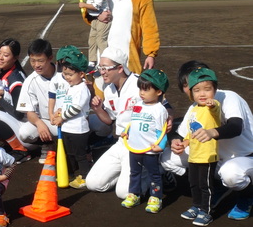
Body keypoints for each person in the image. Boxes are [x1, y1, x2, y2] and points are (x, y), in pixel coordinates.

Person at [161, 60, 253, 221]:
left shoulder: (228, 97)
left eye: (204, 85)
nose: (200, 91)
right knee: (167, 157)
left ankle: (247, 197)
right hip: (215, 158)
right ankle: (210, 187)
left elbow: (236, 126)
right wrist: (176, 141)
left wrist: (213, 132)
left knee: (231, 174)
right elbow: (180, 134)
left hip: (244, 156)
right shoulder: (194, 108)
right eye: (192, 87)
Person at [86, 47, 171, 199]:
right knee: (93, 183)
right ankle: (129, 176)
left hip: (142, 145)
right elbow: (109, 120)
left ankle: (158, 170)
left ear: (120, 68)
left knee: (124, 193)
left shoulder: (140, 84)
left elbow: (166, 106)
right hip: (121, 142)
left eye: (105, 68)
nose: (101, 71)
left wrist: (168, 119)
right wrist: (98, 109)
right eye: (100, 67)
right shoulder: (109, 89)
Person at [94, 0, 161, 75]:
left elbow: (149, 27)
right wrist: (98, 15)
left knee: (128, 92)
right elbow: (90, 11)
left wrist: (151, 54)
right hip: (102, 54)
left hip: (128, 58)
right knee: (100, 92)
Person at [120, 69, 169, 213]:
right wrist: (126, 132)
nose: (142, 93)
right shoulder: (138, 105)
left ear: (159, 92)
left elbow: (162, 131)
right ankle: (134, 194)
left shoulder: (160, 110)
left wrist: (161, 146)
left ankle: (156, 197)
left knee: (154, 175)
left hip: (149, 150)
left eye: (146, 90)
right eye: (141, 89)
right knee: (134, 172)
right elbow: (133, 122)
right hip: (134, 147)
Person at [179, 68, 220, 226]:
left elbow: (216, 109)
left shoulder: (212, 108)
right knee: (194, 183)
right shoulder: (194, 109)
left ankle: (206, 211)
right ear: (191, 93)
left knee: (206, 185)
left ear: (214, 91)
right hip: (194, 155)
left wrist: (213, 103)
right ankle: (196, 206)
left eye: (207, 89)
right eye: (197, 90)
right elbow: (191, 131)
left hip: (207, 155)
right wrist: (185, 142)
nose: (202, 94)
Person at [0, 38, 34, 164]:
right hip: (21, 125)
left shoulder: (15, 79)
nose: (0, 58)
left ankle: (21, 150)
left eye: (6, 55)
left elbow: (19, 113)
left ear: (15, 58)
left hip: (28, 130)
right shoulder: (6, 73)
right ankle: (8, 142)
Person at [50, 50, 92, 189]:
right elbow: (68, 105)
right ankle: (71, 174)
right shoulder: (72, 87)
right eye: (65, 74)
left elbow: (76, 108)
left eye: (70, 74)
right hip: (68, 128)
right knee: (70, 154)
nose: (67, 77)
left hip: (78, 130)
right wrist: (60, 110)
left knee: (80, 155)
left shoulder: (81, 89)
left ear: (81, 74)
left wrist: (61, 117)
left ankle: (85, 177)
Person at [16, 39, 59, 164]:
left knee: (101, 127)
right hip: (47, 121)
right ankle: (48, 144)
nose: (36, 65)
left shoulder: (64, 73)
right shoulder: (30, 81)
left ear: (50, 58)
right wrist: (39, 124)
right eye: (32, 60)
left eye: (40, 60)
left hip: (67, 118)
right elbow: (29, 112)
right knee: (25, 134)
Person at [77, 0, 111, 71]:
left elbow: (96, 6)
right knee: (92, 40)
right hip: (95, 20)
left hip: (103, 20)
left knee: (101, 40)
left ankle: (104, 62)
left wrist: (84, 5)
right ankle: (92, 61)